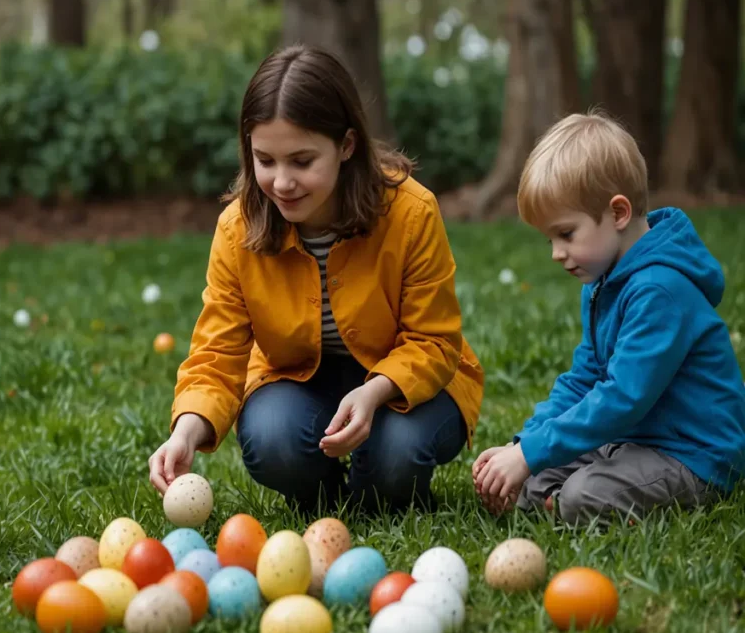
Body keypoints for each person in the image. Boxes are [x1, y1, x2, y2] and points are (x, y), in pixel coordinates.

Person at [148, 45, 484, 514]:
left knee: (394, 460)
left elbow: (434, 340)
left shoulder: (411, 213)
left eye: (302, 161)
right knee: (273, 440)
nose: (282, 182)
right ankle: (326, 498)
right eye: (265, 160)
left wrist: (375, 391)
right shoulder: (237, 229)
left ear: (346, 145)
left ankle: (379, 485)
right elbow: (217, 353)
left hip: (409, 384)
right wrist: (187, 430)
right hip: (298, 382)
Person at [474, 111, 745, 524]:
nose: (556, 254)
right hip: (633, 438)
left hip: (693, 454)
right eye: (550, 239)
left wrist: (529, 454)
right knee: (531, 482)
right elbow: (584, 378)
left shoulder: (660, 291)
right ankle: (562, 495)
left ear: (618, 213)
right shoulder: (603, 281)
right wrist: (524, 446)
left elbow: (621, 398)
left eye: (566, 234)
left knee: (580, 496)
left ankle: (571, 501)